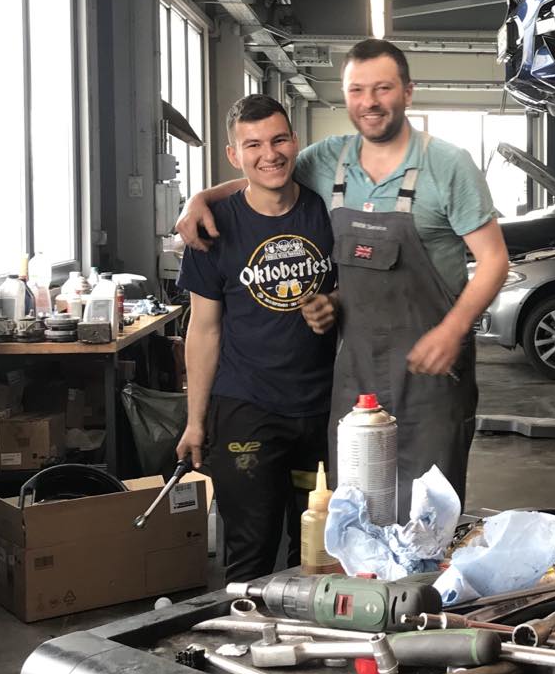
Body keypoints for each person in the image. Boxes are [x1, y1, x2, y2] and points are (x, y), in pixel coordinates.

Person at [177, 38, 510, 511]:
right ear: (346, 97)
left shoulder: (447, 165)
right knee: (356, 512)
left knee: (429, 512)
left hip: (430, 374)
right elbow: (266, 173)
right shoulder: (329, 160)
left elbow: (495, 261)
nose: (369, 102)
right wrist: (201, 199)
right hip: (356, 377)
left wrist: (452, 331)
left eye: (382, 88)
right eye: (357, 90)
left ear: (407, 92)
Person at [175, 94, 338, 582]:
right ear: (234, 155)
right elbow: (204, 329)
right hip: (247, 408)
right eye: (253, 145)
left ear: (296, 142)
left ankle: (309, 630)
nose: (270, 154)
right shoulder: (213, 228)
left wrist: (336, 301)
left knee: (320, 550)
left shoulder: (328, 211)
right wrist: (195, 421)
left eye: (278, 140)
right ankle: (246, 628)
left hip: (323, 408)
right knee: (251, 551)